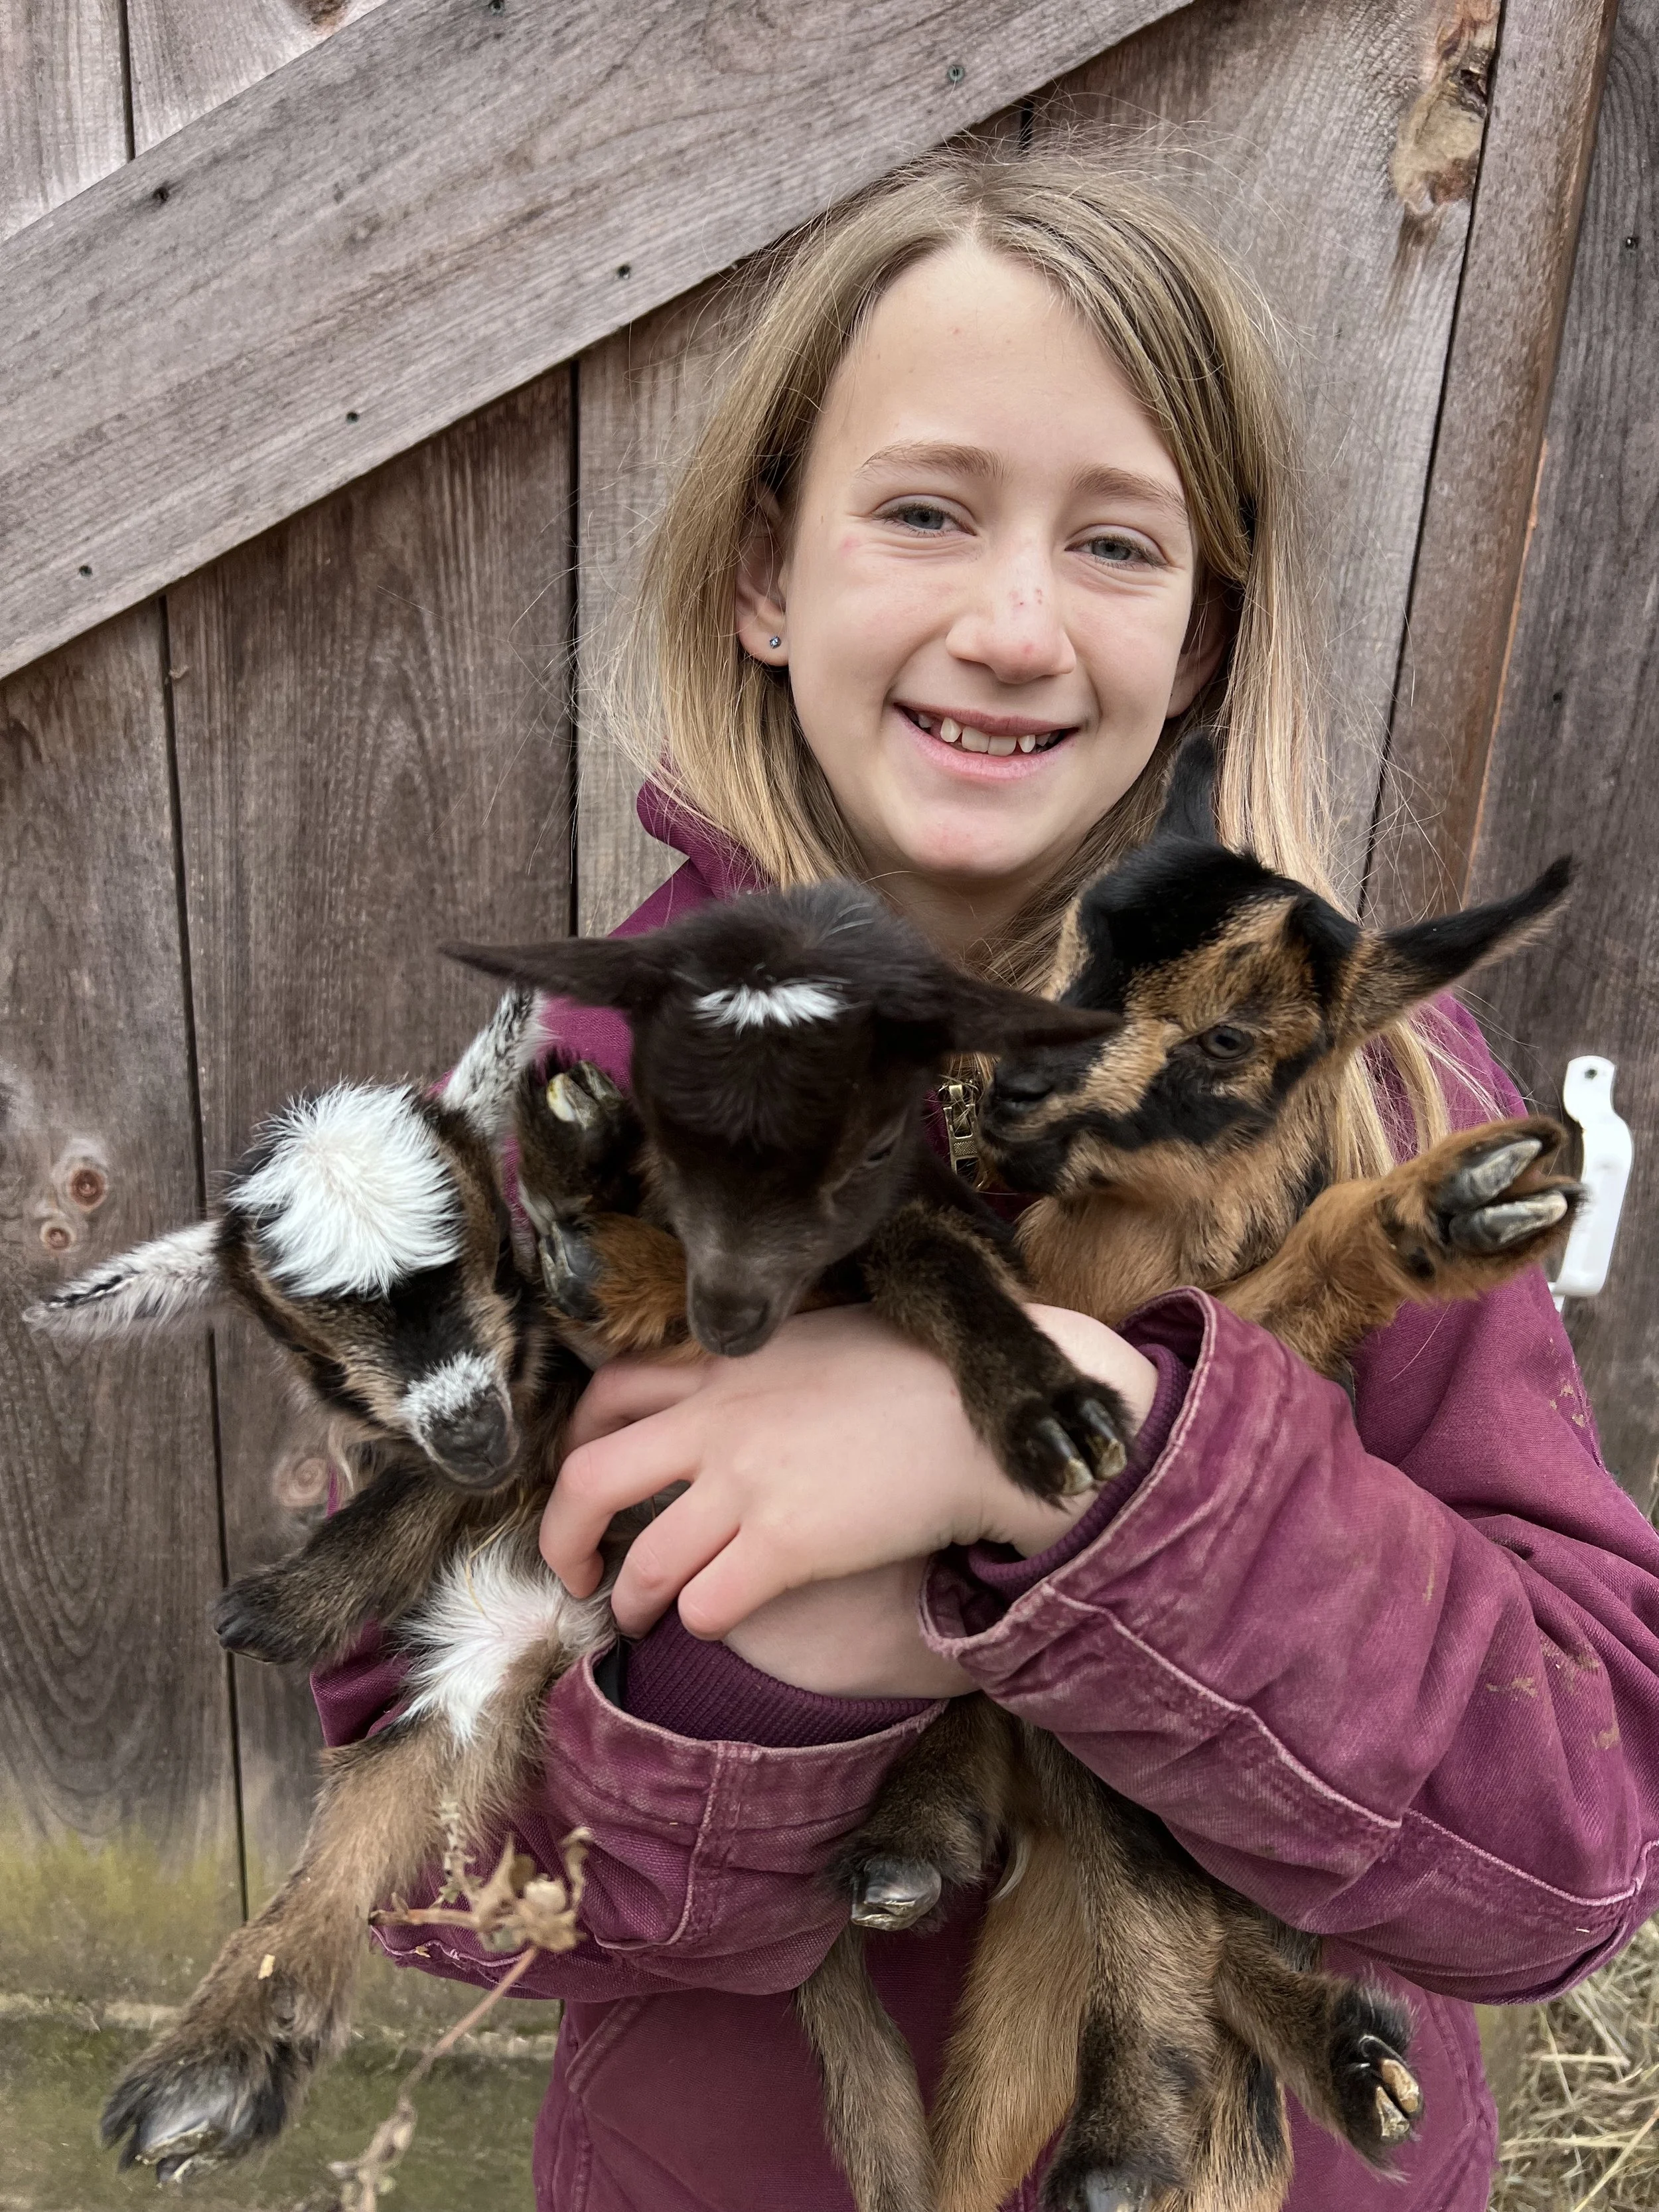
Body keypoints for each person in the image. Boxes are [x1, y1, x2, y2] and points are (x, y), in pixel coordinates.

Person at [315, 151, 1659, 2212]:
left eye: (1113, 542)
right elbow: (429, 1849)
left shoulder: (1366, 1090)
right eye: (926, 511)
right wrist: (784, 1670)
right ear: (764, 575)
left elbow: (1568, 1843)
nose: (1012, 624)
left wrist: (1059, 1459)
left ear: (1202, 641)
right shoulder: (567, 1106)